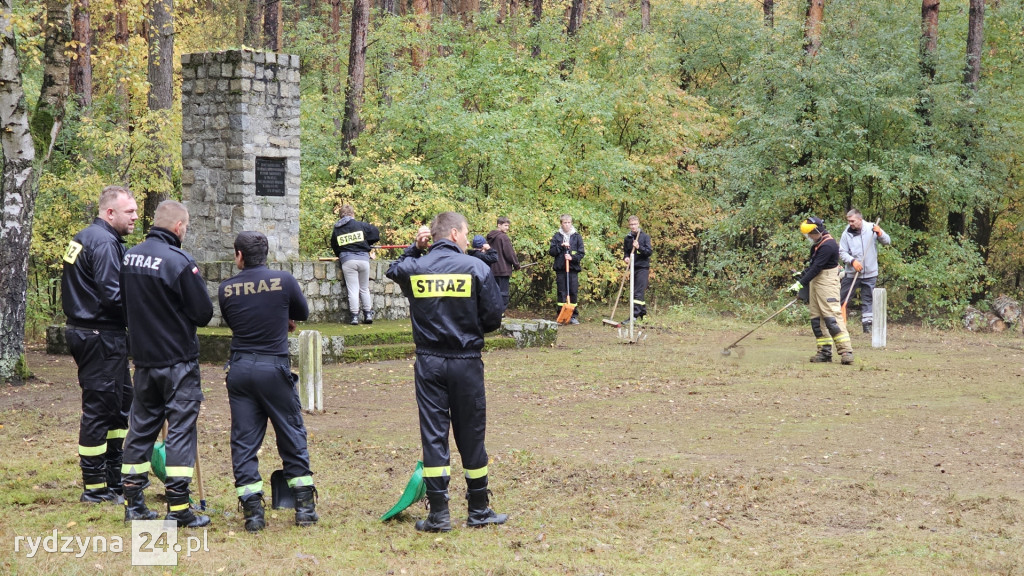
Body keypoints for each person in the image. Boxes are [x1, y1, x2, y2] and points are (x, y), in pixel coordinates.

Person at [385, 212, 507, 532]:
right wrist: (470, 327)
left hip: (428, 362)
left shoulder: (415, 268)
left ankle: (439, 514)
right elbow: (494, 316)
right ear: (454, 233)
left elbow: (393, 269)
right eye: (466, 233)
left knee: (434, 434)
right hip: (466, 360)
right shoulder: (477, 267)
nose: (468, 239)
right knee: (471, 433)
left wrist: (414, 247)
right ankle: (478, 509)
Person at [119, 200, 214, 527]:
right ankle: (179, 507)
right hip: (178, 363)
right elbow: (203, 313)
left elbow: (123, 303)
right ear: (178, 227)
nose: (185, 231)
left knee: (141, 428)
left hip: (143, 361)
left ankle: (133, 502)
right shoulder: (179, 261)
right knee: (181, 432)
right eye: (185, 227)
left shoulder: (129, 256)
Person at [218, 231, 317, 532]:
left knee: (244, 441)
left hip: (240, 368)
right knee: (290, 432)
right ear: (266, 254)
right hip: (273, 367)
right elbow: (302, 312)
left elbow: (236, 321)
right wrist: (280, 316)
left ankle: (252, 513)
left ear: (239, 256)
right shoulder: (283, 281)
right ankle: (304, 509)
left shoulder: (226, 289)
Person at [60, 185, 139, 503]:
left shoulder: (83, 237)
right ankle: (94, 487)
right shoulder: (104, 242)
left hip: (95, 333)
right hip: (98, 335)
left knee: (120, 405)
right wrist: (145, 318)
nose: (135, 216)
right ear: (110, 213)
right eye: (129, 212)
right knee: (98, 410)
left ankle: (113, 477)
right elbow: (113, 294)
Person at [789, 216, 854, 365]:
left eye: (810, 234)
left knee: (832, 318)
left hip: (827, 283)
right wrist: (802, 276)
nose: (809, 237)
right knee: (816, 320)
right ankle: (824, 352)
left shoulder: (828, 245)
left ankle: (846, 351)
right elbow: (813, 267)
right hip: (816, 282)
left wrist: (800, 284)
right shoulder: (817, 245)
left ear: (817, 231)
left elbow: (817, 267)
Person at [839, 209, 891, 333]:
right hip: (852, 273)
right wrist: (852, 261)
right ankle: (839, 324)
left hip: (870, 273)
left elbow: (887, 241)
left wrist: (880, 234)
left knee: (868, 299)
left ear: (860, 219)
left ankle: (867, 326)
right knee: (843, 297)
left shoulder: (872, 228)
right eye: (849, 221)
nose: (850, 223)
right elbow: (841, 252)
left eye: (852, 221)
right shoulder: (846, 234)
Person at [329, 204, 381, 325]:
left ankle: (354, 317)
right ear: (352, 214)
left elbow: (335, 246)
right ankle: (368, 314)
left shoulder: (337, 229)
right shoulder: (360, 225)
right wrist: (367, 242)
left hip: (348, 260)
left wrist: (340, 255)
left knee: (353, 289)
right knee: (364, 288)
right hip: (363, 260)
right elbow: (375, 233)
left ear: (340, 215)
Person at [548, 214, 585, 324]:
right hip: (561, 269)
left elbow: (581, 253)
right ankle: (561, 314)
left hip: (572, 269)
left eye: (569, 222)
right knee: (561, 292)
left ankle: (573, 315)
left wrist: (572, 258)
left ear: (571, 223)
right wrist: (561, 246)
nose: (567, 225)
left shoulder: (577, 237)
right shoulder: (557, 237)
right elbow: (552, 252)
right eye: (565, 223)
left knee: (573, 291)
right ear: (561, 224)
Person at [623, 216, 654, 321]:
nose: (633, 227)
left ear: (638, 224)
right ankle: (643, 313)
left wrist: (639, 247)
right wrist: (626, 258)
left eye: (635, 224)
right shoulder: (627, 238)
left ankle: (634, 316)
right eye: (631, 225)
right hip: (633, 267)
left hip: (643, 268)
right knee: (635, 291)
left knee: (637, 292)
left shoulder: (644, 237)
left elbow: (649, 252)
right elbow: (626, 252)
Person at [485, 217, 521, 310]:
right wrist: (516, 265)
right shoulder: (503, 237)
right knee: (503, 293)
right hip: (503, 269)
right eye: (505, 225)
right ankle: (501, 312)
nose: (507, 228)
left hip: (491, 269)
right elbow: (509, 253)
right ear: (499, 225)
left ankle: (493, 311)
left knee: (493, 292)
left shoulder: (490, 237)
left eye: (508, 226)